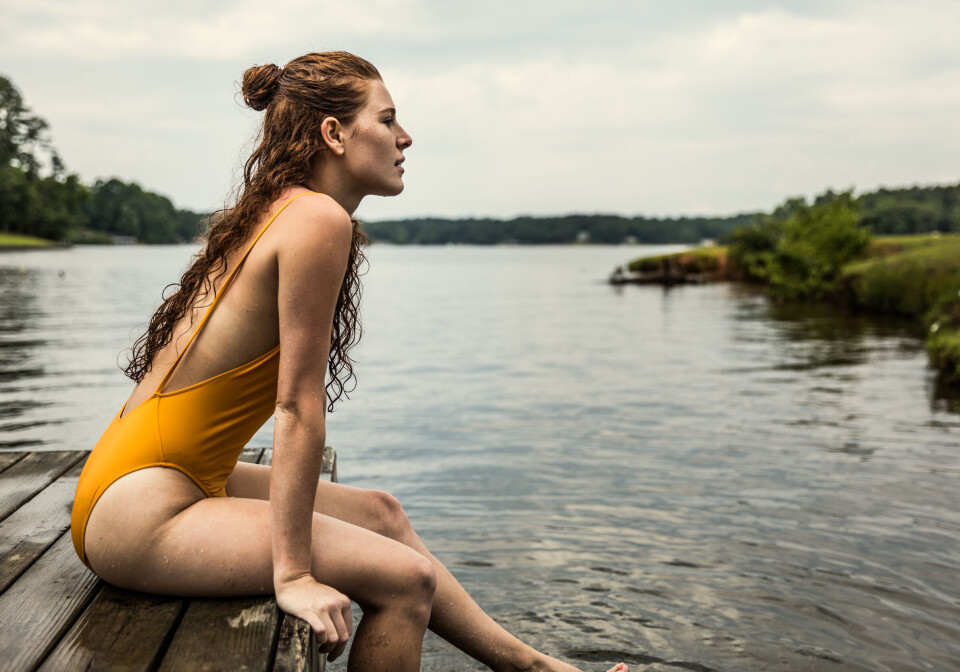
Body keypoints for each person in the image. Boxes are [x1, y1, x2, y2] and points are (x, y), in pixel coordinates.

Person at [70, 51, 628, 672]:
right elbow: (297, 406)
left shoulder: (281, 206)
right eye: (387, 119)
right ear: (334, 134)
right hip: (142, 514)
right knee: (405, 584)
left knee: (382, 514)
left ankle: (532, 665)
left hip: (143, 478)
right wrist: (295, 574)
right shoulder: (316, 219)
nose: (405, 136)